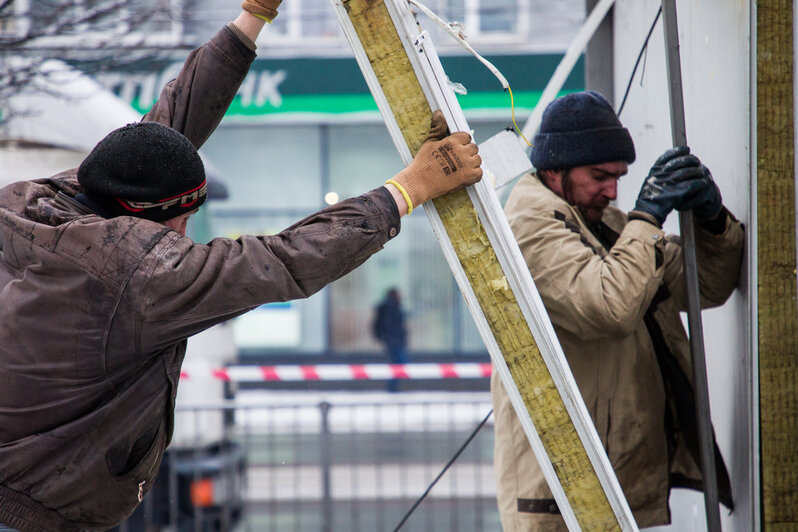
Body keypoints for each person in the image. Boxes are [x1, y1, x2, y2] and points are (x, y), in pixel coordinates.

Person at [0, 1, 483, 529]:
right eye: (183, 219)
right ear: (145, 214)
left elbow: (165, 130)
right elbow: (284, 260)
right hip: (32, 509)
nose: (184, 236)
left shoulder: (42, 201)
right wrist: (408, 189)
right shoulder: (139, 274)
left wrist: (252, 18)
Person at [492, 90, 744, 530]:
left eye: (619, 177)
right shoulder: (528, 228)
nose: (612, 191)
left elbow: (705, 286)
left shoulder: (603, 223)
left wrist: (713, 222)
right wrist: (647, 216)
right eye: (599, 176)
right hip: (565, 492)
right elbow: (609, 307)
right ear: (554, 169)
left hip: (608, 473)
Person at [373, 287, 408, 391]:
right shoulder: (387, 308)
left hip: (397, 339)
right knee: (398, 362)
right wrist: (382, 336)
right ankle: (392, 386)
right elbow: (381, 324)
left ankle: (394, 385)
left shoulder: (395, 306)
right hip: (393, 339)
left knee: (399, 362)